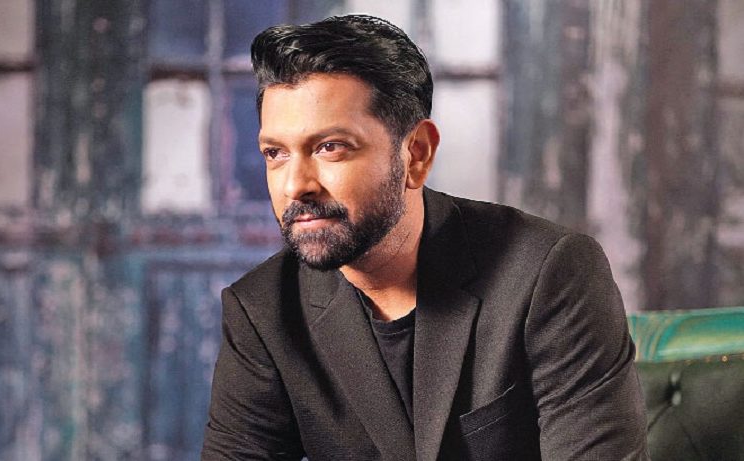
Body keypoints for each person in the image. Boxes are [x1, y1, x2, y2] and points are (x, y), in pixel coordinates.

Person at [202, 14, 648, 461]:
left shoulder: (548, 274)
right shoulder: (262, 310)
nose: (296, 185)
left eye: (330, 147)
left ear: (416, 153)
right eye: (275, 153)